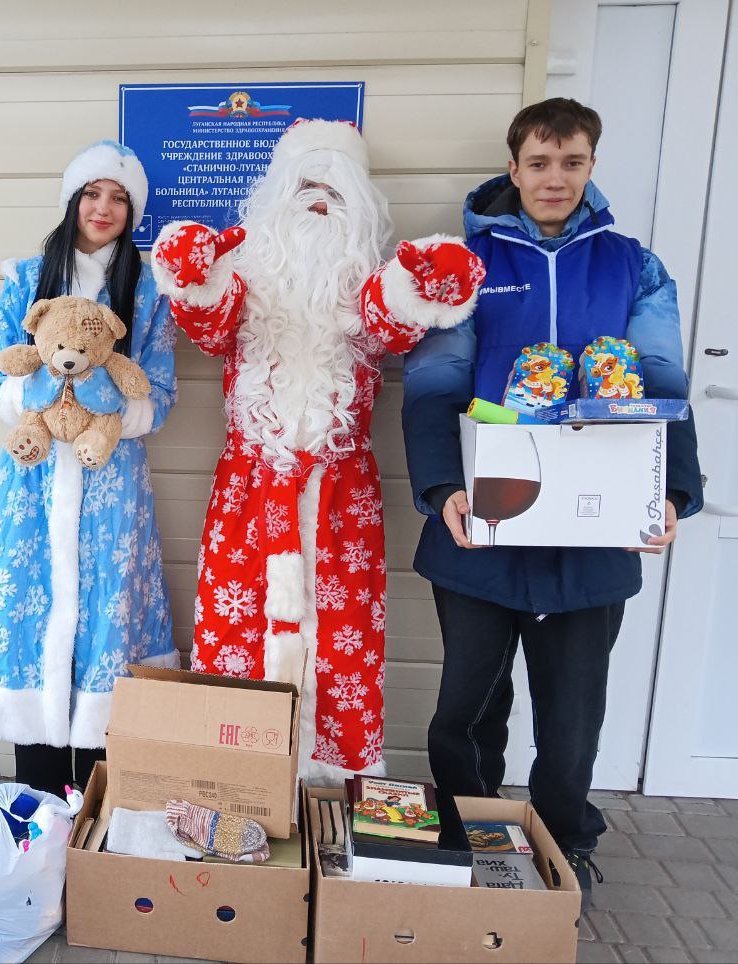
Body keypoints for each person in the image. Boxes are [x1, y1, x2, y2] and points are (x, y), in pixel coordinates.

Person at [401, 98, 704, 908]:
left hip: (595, 529)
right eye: (539, 162)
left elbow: (664, 381)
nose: (554, 178)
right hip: (485, 521)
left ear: (591, 167)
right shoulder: (465, 262)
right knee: (467, 707)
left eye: (572, 162)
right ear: (514, 168)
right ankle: (472, 836)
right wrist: (440, 487)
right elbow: (434, 383)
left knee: (571, 719)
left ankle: (566, 843)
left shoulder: (634, 266)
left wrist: (671, 489)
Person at [150, 119, 486, 782]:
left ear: (358, 202)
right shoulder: (245, 273)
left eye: (333, 189)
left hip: (341, 494)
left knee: (341, 643)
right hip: (251, 489)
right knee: (237, 632)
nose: (317, 200)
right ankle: (233, 781)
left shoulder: (369, 280)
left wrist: (428, 286)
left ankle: (327, 788)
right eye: (305, 184)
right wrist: (195, 273)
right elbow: (213, 324)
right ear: (277, 192)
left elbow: (393, 322)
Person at [0, 141, 179, 798]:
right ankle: (37, 811)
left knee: (105, 620)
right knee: (36, 609)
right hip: (34, 481)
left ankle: (94, 824)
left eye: (118, 197)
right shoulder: (26, 280)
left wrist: (106, 403)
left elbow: (159, 393)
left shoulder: (147, 290)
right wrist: (41, 398)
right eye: (92, 193)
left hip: (112, 484)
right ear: (72, 201)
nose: (104, 208)